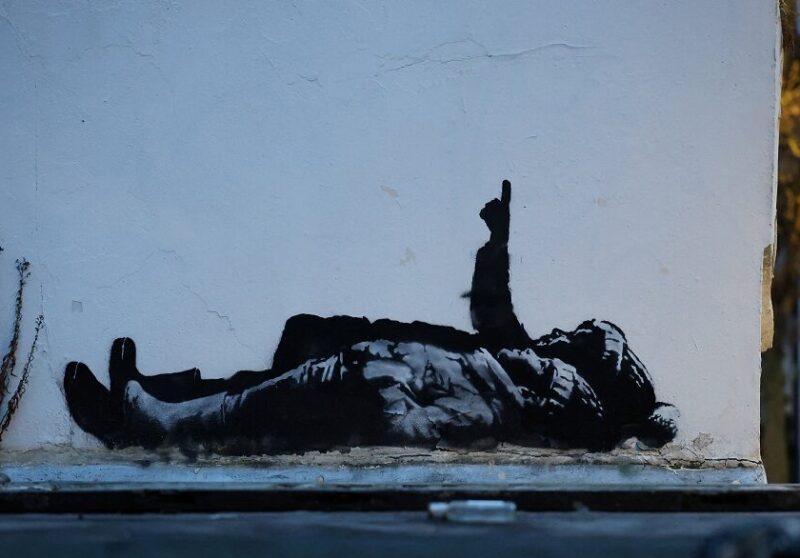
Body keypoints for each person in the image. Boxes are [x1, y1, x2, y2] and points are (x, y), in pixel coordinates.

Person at [64, 181, 677, 453]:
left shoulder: (570, 393)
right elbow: (495, 321)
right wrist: (496, 244)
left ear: (596, 365)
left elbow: (494, 367)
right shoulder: (546, 366)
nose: (563, 333)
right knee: (304, 340)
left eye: (577, 338)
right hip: (416, 366)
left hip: (412, 384)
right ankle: (158, 399)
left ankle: (142, 421)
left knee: (287, 395)